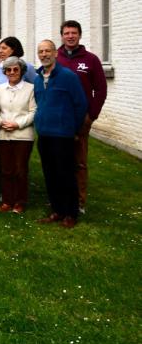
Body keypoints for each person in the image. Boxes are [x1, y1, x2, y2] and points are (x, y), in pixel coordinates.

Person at [35, 40, 88, 229]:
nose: (44, 54)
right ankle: (57, 210)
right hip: (44, 134)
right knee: (50, 174)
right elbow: (39, 101)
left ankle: (70, 213)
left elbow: (80, 104)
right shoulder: (38, 77)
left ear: (55, 53)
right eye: (41, 51)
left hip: (63, 135)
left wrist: (71, 127)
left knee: (65, 174)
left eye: (47, 51)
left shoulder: (68, 77)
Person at [57, 20, 107, 214]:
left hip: (80, 119)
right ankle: (59, 198)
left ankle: (79, 201)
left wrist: (91, 116)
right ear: (61, 35)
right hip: (59, 119)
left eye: (74, 33)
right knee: (59, 160)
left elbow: (100, 90)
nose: (70, 36)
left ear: (79, 35)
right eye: (67, 33)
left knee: (79, 161)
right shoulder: (55, 58)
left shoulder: (91, 59)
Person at [0, 56, 36, 214]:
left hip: (23, 135)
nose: (12, 72)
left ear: (22, 71)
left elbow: (34, 111)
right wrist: (1, 122)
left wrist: (18, 124)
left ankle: (19, 202)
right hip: (3, 134)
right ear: (4, 72)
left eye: (15, 69)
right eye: (8, 70)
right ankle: (6, 201)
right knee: (5, 169)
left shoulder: (30, 88)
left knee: (20, 170)